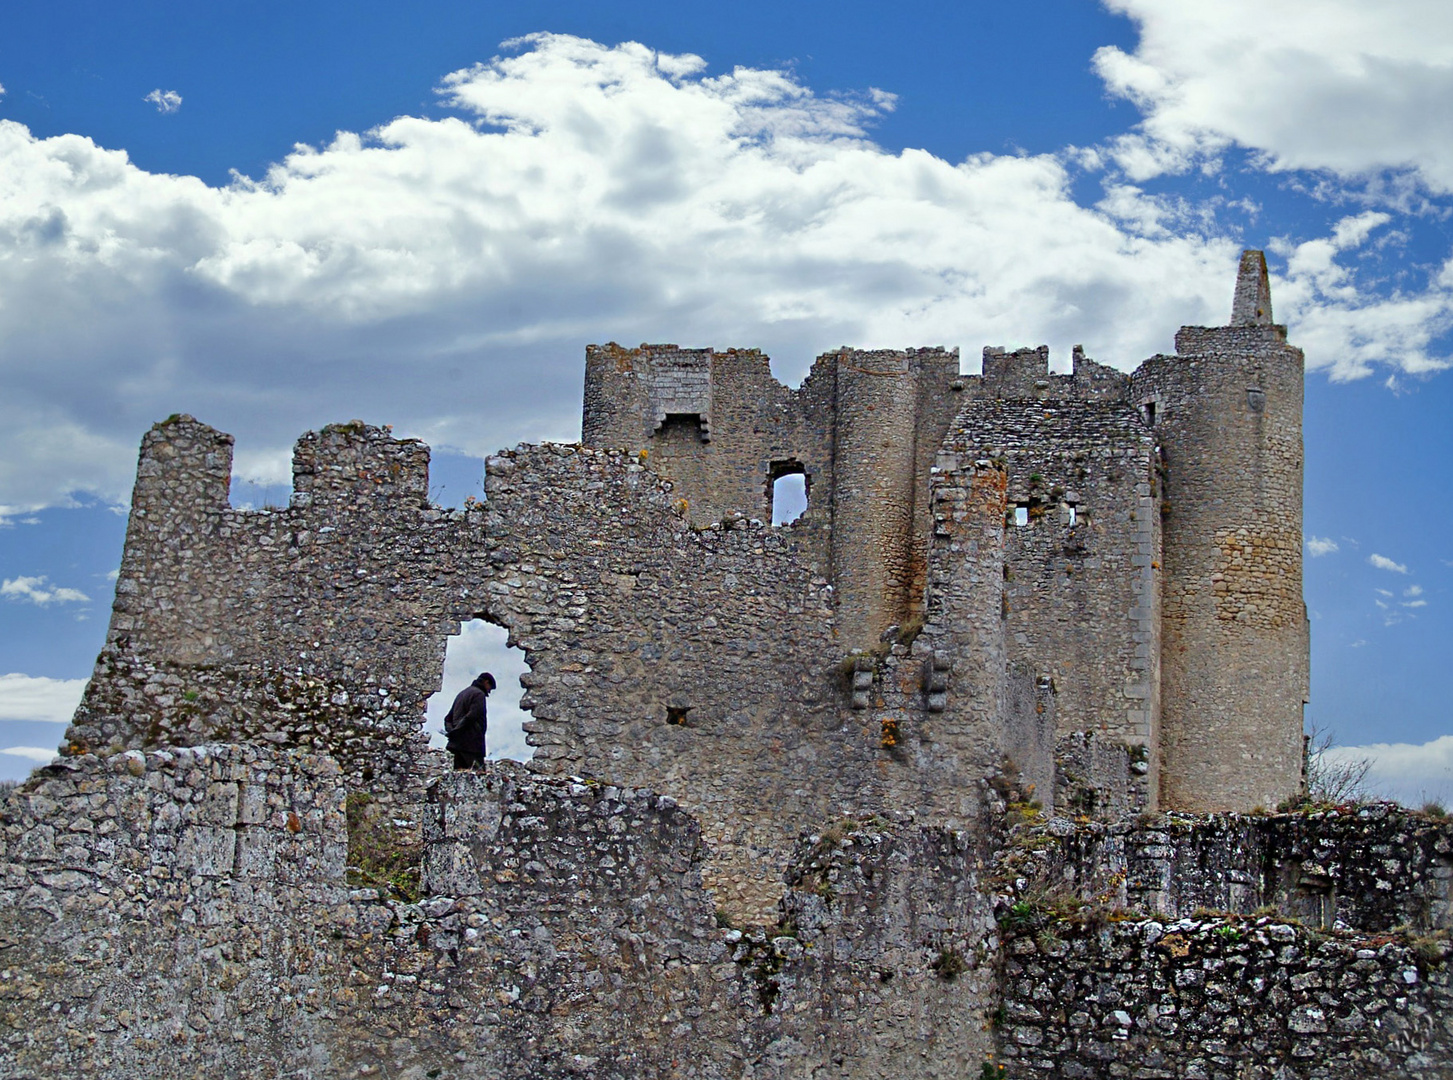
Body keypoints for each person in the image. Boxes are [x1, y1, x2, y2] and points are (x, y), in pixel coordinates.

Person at [444, 672, 494, 769]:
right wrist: (457, 731)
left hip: (457, 745)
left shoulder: (462, 694)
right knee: (478, 777)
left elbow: (447, 719)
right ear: (486, 682)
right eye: (490, 688)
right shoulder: (479, 694)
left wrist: (452, 732)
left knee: (459, 777)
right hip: (472, 745)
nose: (489, 691)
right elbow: (472, 716)